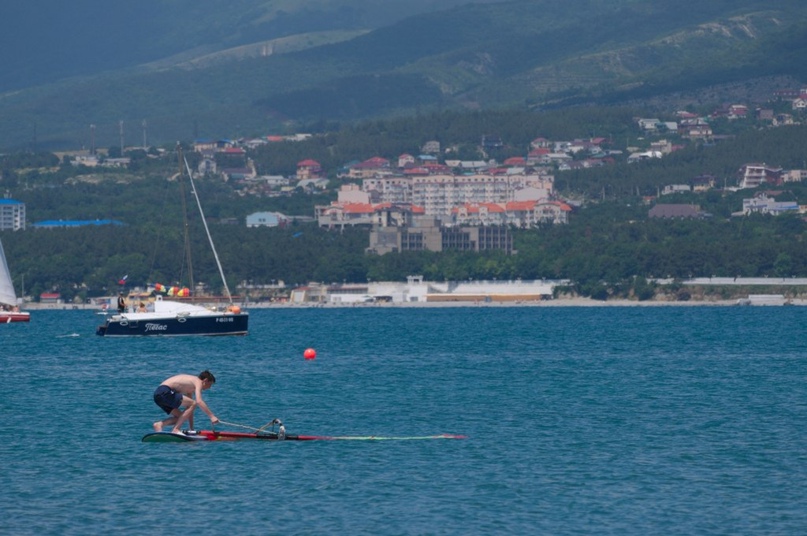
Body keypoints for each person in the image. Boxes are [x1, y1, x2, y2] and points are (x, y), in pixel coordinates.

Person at [152, 370, 220, 433]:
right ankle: (176, 429)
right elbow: (199, 401)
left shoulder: (189, 388)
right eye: (210, 384)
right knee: (194, 403)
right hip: (165, 392)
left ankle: (159, 424)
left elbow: (189, 410)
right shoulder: (198, 381)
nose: (209, 387)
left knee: (180, 417)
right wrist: (212, 416)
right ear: (205, 380)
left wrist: (191, 428)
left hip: (158, 395)